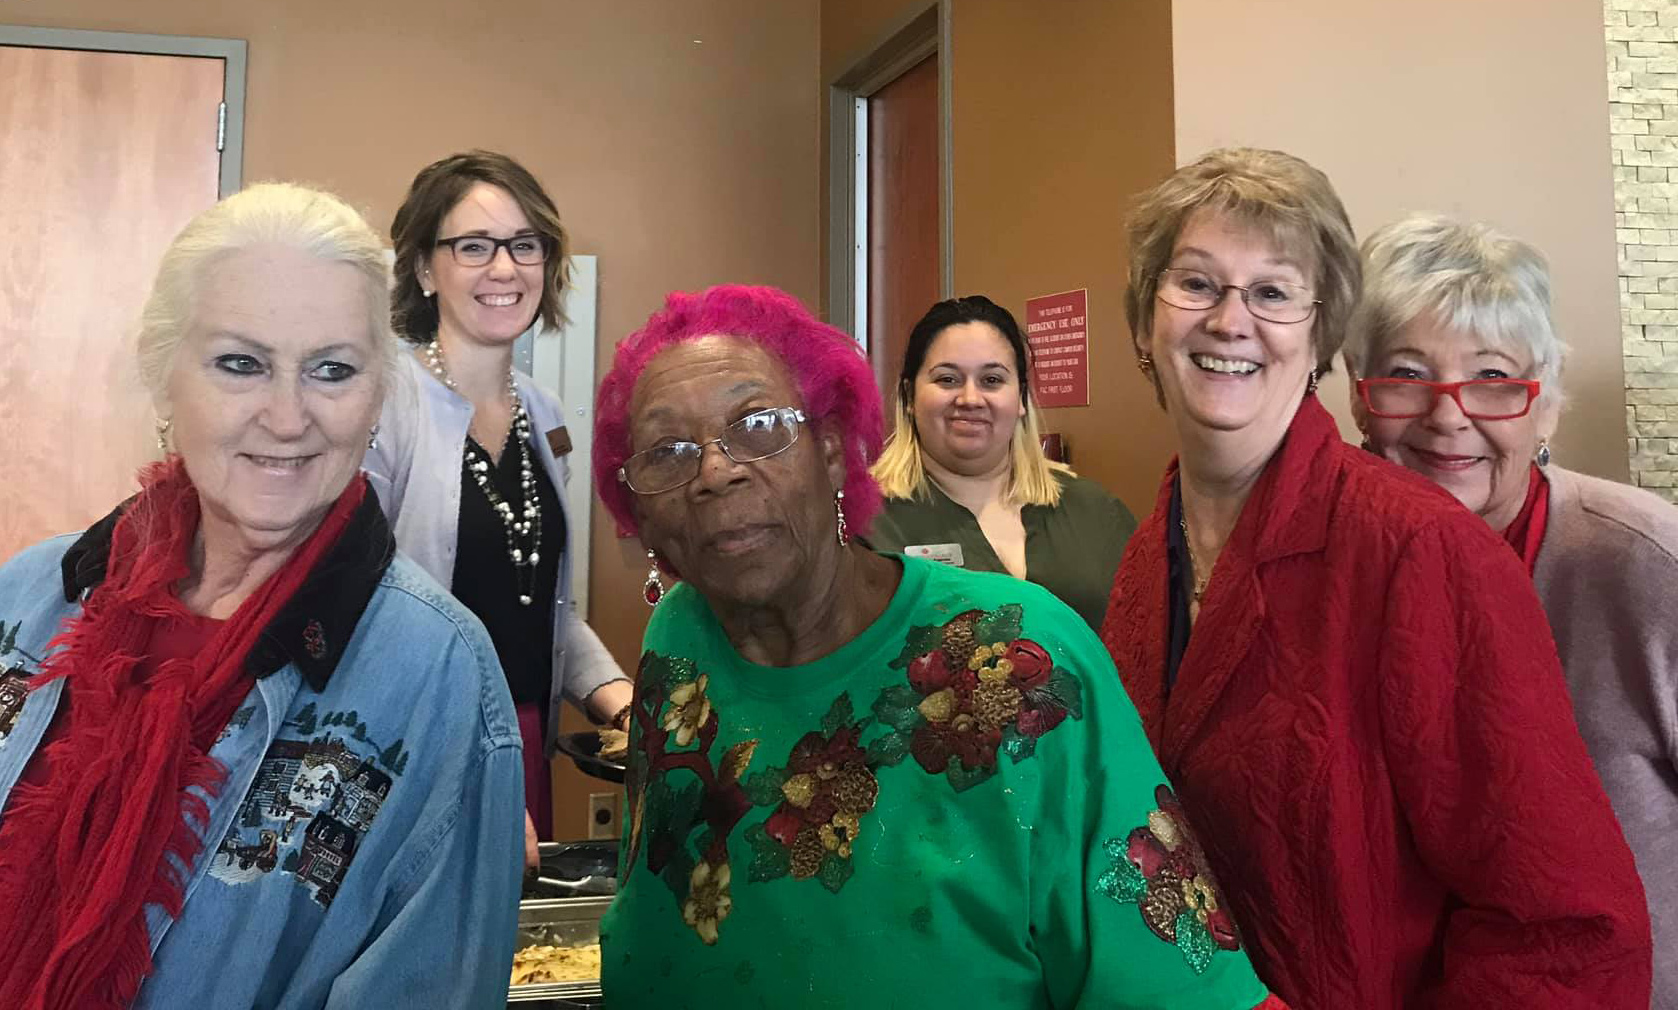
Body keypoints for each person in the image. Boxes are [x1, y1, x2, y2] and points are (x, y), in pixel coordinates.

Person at [590, 284, 1285, 1008]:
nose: (714, 471)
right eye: (667, 451)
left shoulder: (1019, 657)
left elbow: (1173, 983)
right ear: (639, 507)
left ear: (832, 454)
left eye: (759, 424)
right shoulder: (678, 639)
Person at [1098, 148, 1652, 1006]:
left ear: (1320, 338)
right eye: (1197, 285)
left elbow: (1566, 931)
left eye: (1274, 292)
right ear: (1144, 323)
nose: (1230, 320)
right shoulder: (1144, 559)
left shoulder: (1424, 552)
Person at [0, 183, 523, 1008]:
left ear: (377, 395)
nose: (287, 418)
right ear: (164, 374)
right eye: (240, 364)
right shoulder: (29, 596)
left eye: (332, 370)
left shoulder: (441, 676)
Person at [1347, 212, 1678, 1006]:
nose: (1449, 415)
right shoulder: (1326, 564)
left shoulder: (1643, 563)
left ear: (1547, 406)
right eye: (1406, 375)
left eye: (1494, 379)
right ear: (1360, 398)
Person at [365, 150, 631, 860]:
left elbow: (544, 610)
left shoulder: (542, 414)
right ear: (425, 268)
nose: (505, 268)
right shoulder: (384, 405)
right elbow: (358, 616)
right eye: (474, 246)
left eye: (524, 245)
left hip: (522, 737)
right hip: (413, 745)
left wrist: (622, 702)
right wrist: (458, 776)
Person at [866, 296, 1137, 631]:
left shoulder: (1096, 513)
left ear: (1021, 398)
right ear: (909, 396)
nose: (970, 399)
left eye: (992, 380)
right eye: (947, 379)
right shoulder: (868, 524)